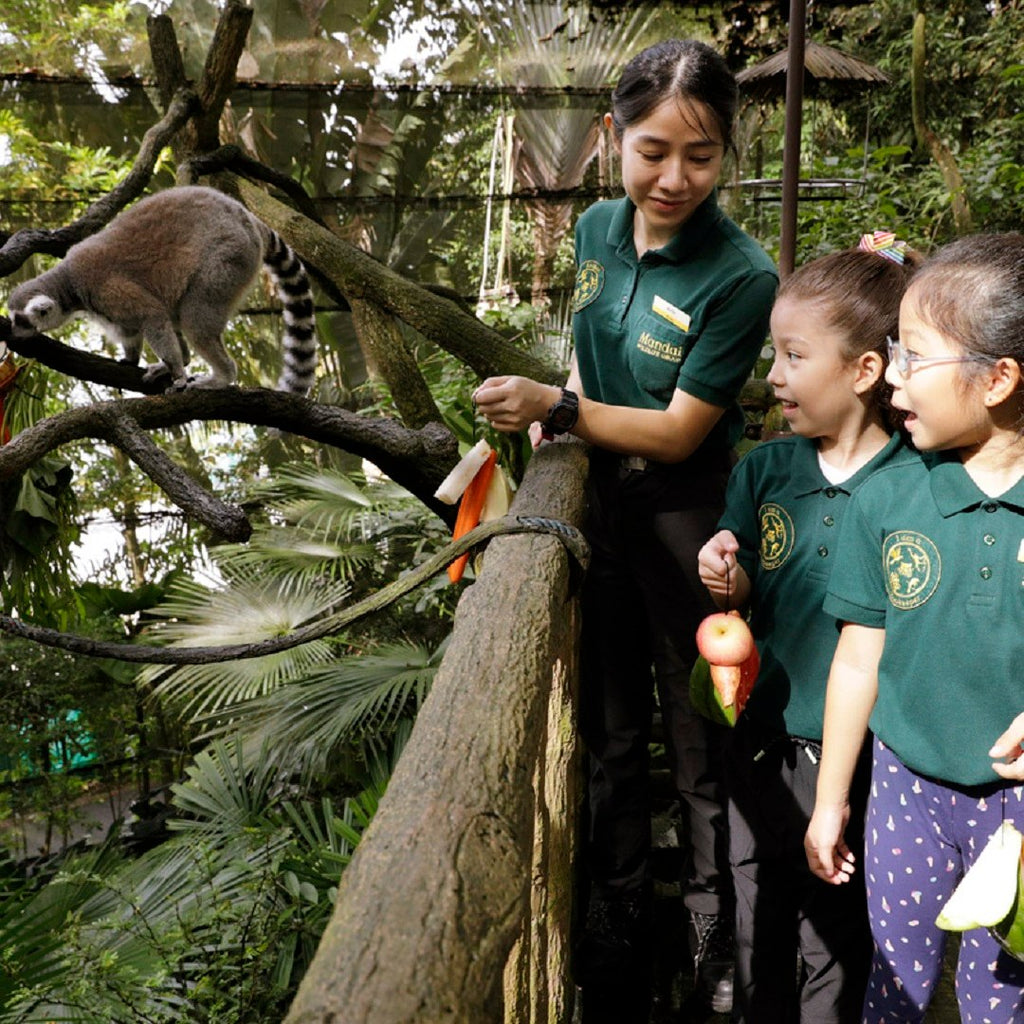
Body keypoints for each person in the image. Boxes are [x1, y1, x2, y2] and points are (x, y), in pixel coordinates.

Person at [472, 38, 777, 1020]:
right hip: (598, 501)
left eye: (700, 154)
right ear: (614, 141)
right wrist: (558, 411)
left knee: (701, 737)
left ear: (727, 152)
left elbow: (684, 424)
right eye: (653, 150)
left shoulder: (741, 274)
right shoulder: (596, 230)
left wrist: (553, 410)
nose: (674, 177)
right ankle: (612, 919)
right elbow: (588, 360)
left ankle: (714, 948)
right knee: (609, 726)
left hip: (689, 513)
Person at [696, 235, 919, 1023]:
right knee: (758, 898)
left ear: (865, 371)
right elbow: (749, 570)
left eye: (794, 356)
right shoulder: (766, 470)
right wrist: (727, 570)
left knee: (839, 926)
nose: (775, 377)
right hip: (762, 729)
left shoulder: (917, 483)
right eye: (773, 354)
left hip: (860, 752)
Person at [804, 232, 1024, 1023]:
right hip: (906, 789)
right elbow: (858, 662)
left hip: (1018, 809)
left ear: (998, 378)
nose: (892, 375)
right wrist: (831, 801)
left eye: (915, 356)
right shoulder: (888, 501)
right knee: (892, 985)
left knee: (1000, 1000)